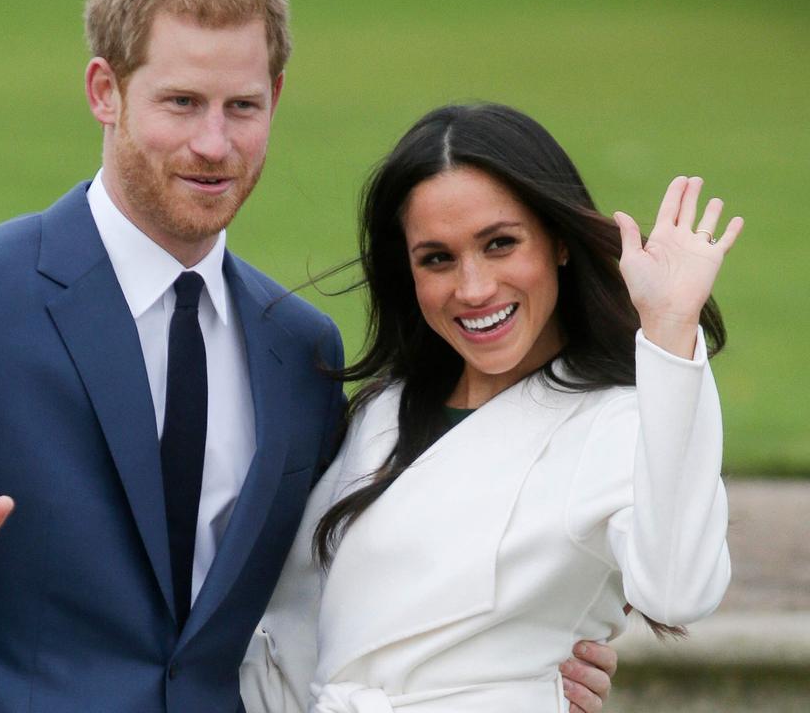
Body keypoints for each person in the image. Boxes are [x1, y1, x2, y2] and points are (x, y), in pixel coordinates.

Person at [0, 0, 616, 711]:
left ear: (276, 100)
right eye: (181, 103)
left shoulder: (300, 347)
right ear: (104, 91)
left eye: (242, 107)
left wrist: (517, 654)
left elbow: (347, 570)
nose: (213, 145)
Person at [241, 102, 740, 712]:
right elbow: (299, 626)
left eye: (500, 244)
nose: (474, 288)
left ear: (558, 242)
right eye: (438, 258)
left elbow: (678, 590)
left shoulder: (619, 421)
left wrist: (668, 330)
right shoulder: (383, 410)